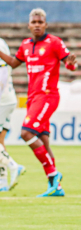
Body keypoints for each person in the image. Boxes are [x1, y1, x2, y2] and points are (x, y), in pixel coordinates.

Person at [0, 8, 77, 197]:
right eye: (33, 22)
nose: (36, 25)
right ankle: (55, 186)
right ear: (29, 25)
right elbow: (14, 62)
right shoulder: (25, 45)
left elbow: (69, 63)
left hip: (48, 95)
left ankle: (53, 174)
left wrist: (72, 64)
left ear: (45, 25)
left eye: (40, 22)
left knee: (26, 132)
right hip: (33, 97)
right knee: (42, 139)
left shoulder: (54, 42)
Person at [0, 38, 26, 192]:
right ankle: (2, 182)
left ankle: (12, 165)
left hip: (2, 99)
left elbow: (2, 73)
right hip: (8, 96)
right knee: (0, 141)